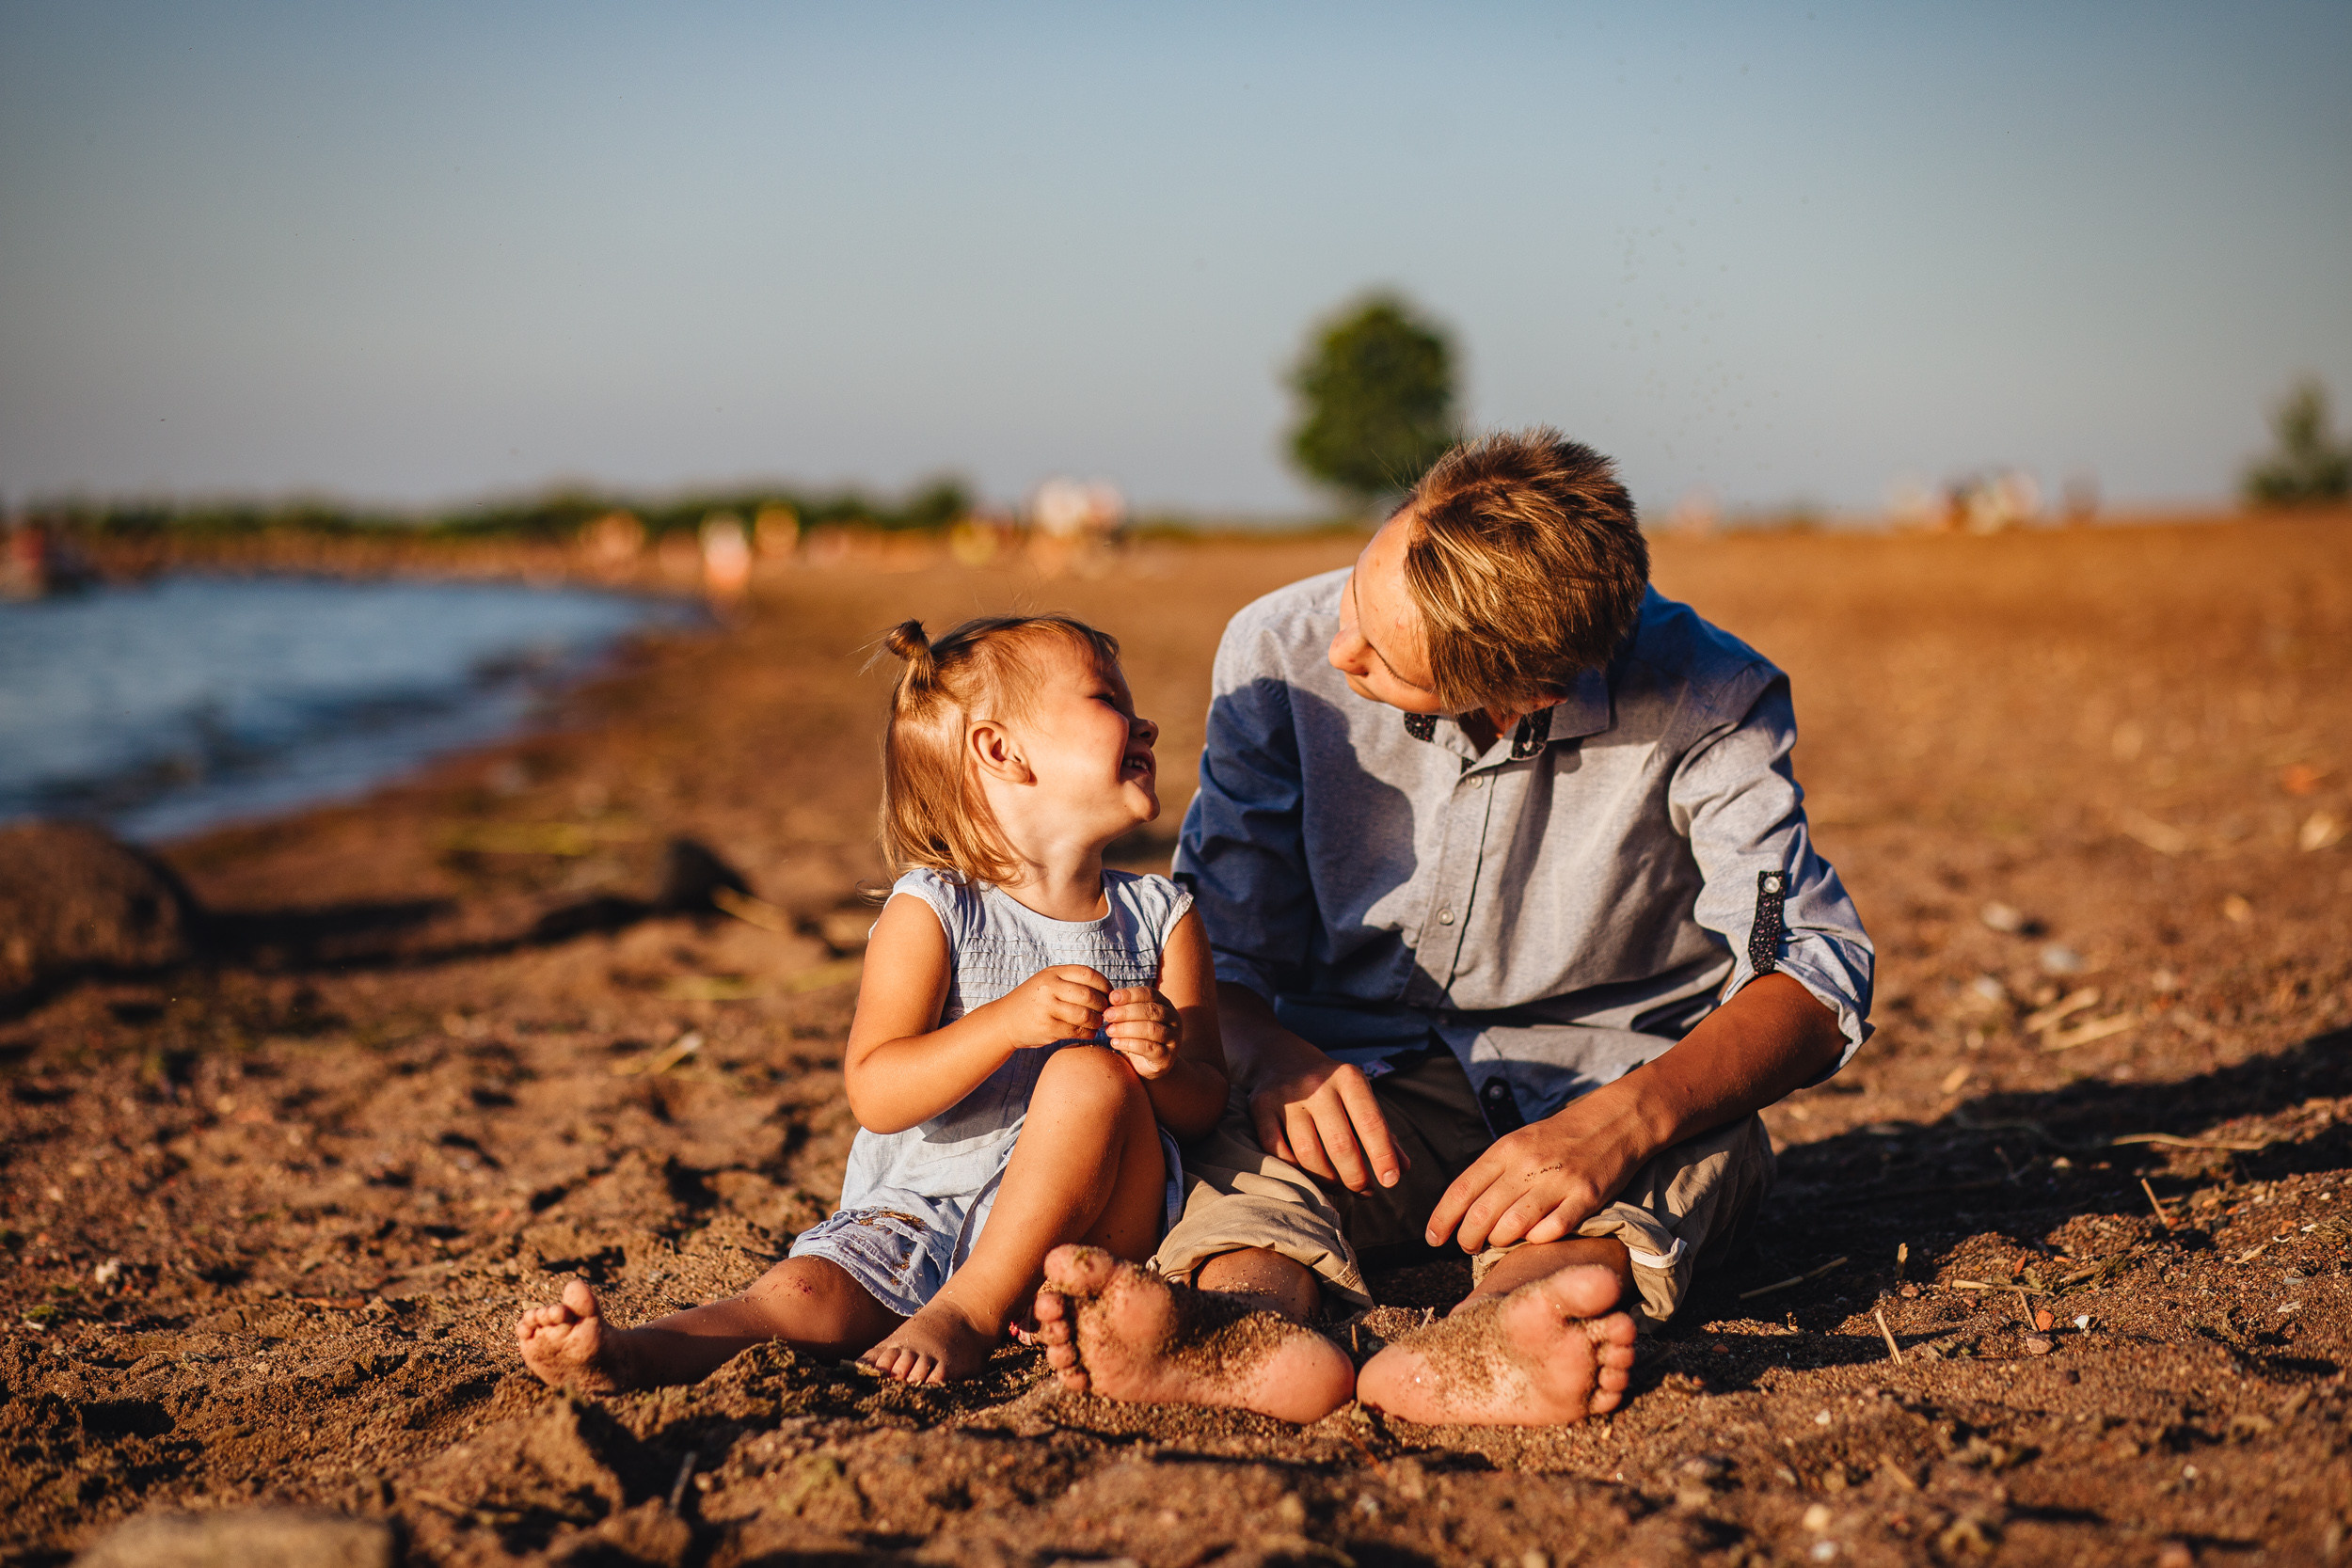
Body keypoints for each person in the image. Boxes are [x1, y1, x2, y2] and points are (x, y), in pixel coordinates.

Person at [1032, 429, 1873, 1426]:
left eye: (1385, 661)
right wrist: (1269, 1050)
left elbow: (1812, 971)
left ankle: (1506, 1326)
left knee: (1702, 1142)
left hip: (1603, 1075)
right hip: (1347, 1079)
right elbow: (1225, 940)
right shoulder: (1279, 650)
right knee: (1231, 1140)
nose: (1339, 649)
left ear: (1530, 696)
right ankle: (1236, 1319)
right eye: (1356, 594)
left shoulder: (1714, 697)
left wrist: (1621, 1122)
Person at [516, 614, 1228, 1389]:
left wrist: (1160, 1064)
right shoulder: (934, 911)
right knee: (798, 1296)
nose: (1145, 720)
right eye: (1109, 699)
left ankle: (972, 1311)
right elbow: (876, 1091)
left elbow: (1204, 1106)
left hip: (1089, 1221)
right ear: (1001, 749)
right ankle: (634, 1350)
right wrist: (1004, 1022)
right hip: (922, 1211)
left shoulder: (1163, 918)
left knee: (1090, 1078)